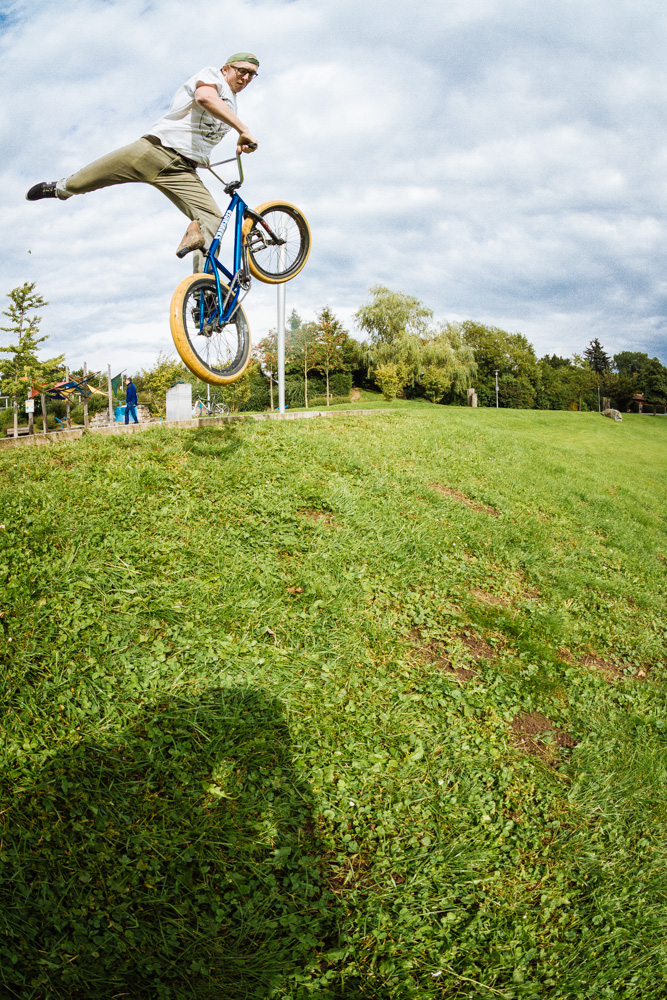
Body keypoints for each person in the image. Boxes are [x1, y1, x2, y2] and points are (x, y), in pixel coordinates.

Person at [26, 53, 259, 267]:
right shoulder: (212, 75)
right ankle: (60, 188)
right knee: (81, 182)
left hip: (182, 171)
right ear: (226, 68)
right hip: (154, 151)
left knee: (213, 220)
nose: (246, 77)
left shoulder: (233, 105)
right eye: (242, 70)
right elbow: (204, 98)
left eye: (252, 74)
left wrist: (239, 138)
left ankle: (202, 293)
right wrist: (243, 128)